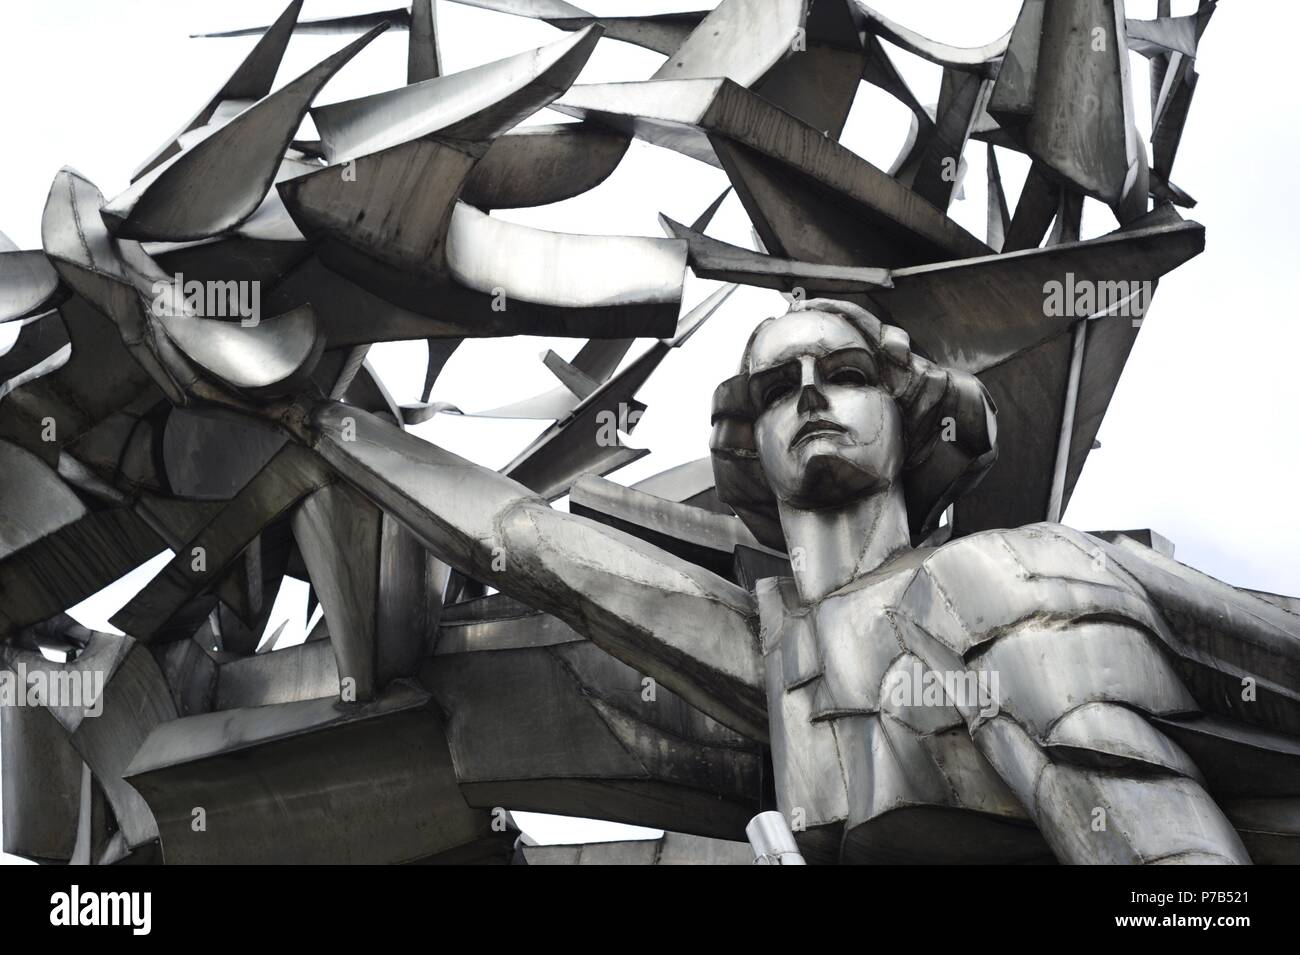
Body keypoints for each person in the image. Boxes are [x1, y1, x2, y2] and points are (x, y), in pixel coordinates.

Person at [283, 297, 1300, 863]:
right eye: (777, 387)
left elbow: (1174, 871)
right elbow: (548, 551)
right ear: (750, 448)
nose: (810, 393)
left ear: (911, 421)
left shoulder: (1000, 580)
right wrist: (306, 413)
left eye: (844, 373)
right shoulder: (788, 648)